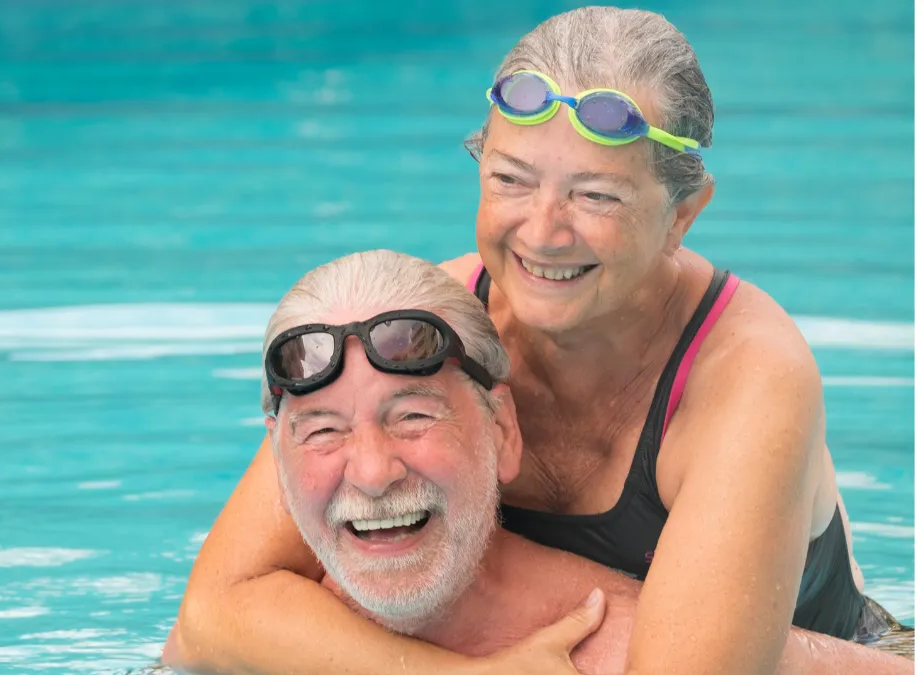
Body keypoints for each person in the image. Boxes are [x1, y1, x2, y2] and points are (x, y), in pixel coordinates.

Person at [168, 7, 911, 675]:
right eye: (511, 181)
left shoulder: (748, 374)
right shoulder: (425, 329)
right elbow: (213, 616)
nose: (544, 232)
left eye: (596, 195)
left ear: (683, 215)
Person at [162, 250, 911, 675]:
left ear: (503, 428)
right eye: (324, 432)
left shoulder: (592, 637)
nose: (371, 472)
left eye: (412, 418)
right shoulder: (272, 625)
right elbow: (203, 623)